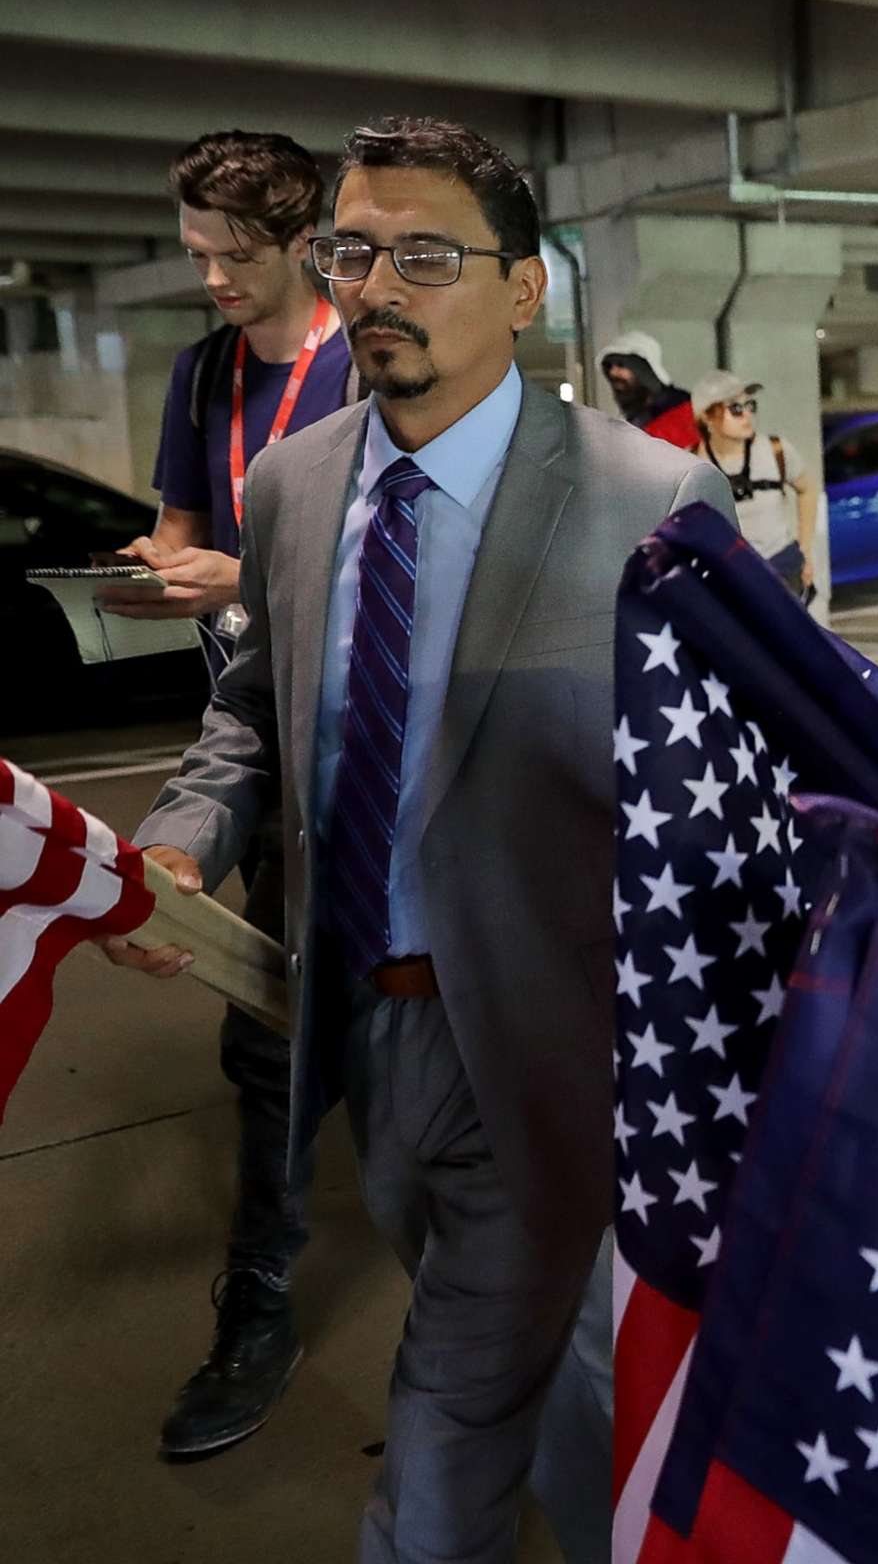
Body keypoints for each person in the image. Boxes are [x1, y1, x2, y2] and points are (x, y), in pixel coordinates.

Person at [94, 116, 734, 1564]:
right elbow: (257, 710)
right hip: (361, 1028)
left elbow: (732, 785)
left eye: (429, 254)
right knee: (558, 1382)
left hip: (555, 1031)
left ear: (523, 292)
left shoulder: (652, 500)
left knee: (447, 1417)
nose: (381, 285)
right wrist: (188, 839)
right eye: (355, 251)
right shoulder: (294, 485)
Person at [88, 130, 353, 1462]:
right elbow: (188, 538)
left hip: (383, 738)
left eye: (233, 256)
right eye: (195, 253)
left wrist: (244, 578)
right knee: (271, 1030)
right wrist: (155, 574)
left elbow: (398, 570)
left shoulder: (374, 361)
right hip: (257, 722)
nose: (209, 279)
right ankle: (259, 1296)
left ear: (307, 244)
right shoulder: (201, 377)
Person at [690, 369, 818, 604]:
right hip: (727, 575)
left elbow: (808, 489)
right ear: (707, 416)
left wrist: (806, 549)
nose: (747, 415)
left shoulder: (776, 450)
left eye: (750, 405)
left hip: (782, 565)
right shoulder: (690, 464)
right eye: (736, 409)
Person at [596, 328, 699, 449]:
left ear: (643, 369)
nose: (613, 372)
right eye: (608, 366)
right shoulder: (631, 420)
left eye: (621, 364)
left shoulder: (685, 410)